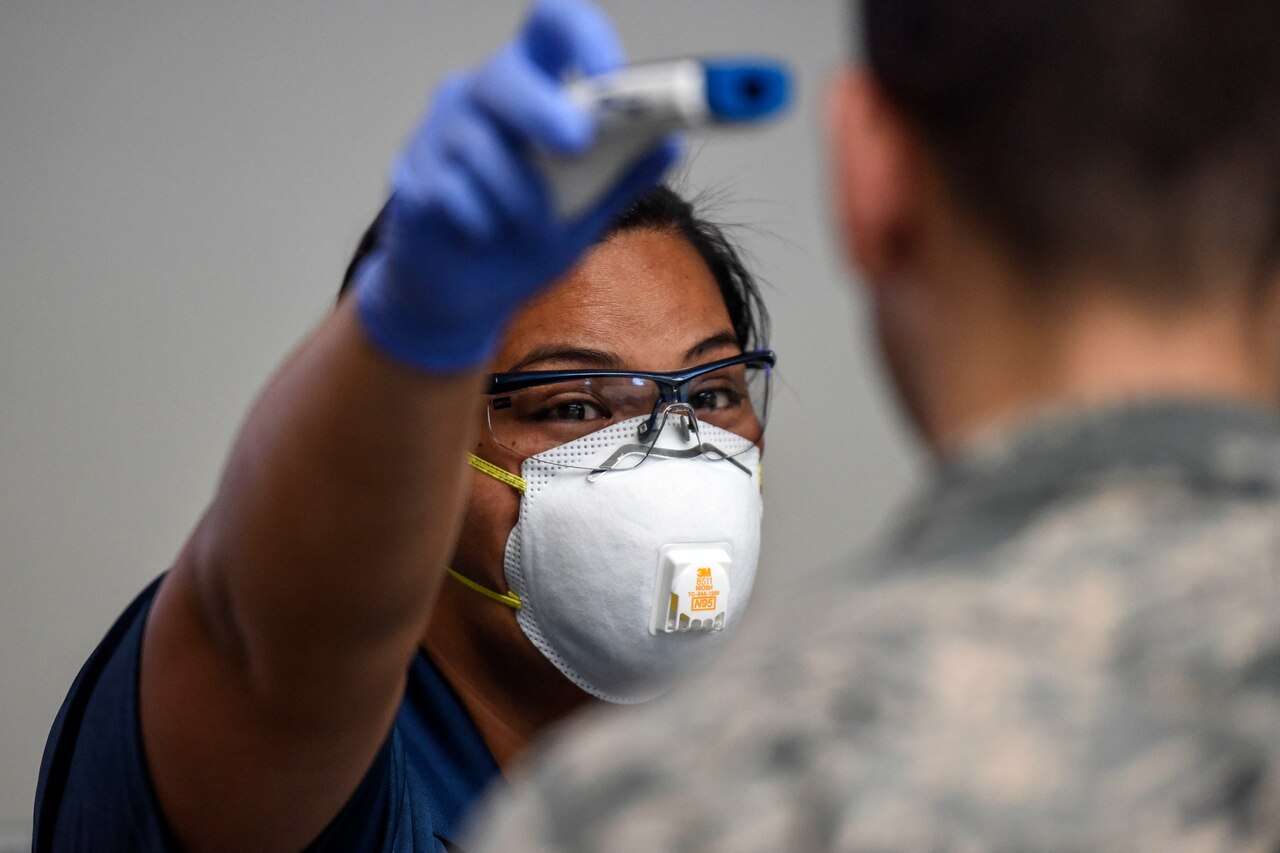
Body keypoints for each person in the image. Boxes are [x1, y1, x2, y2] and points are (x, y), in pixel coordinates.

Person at [468, 0, 1280, 850]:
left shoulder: (691, 804)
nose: (670, 441)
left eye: (711, 393)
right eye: (573, 405)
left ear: (870, 172)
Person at [33, 2, 774, 851]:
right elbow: (270, 641)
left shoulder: (754, 787)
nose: (673, 458)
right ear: (419, 455)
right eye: (573, 405)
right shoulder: (310, 760)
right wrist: (416, 323)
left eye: (713, 392)